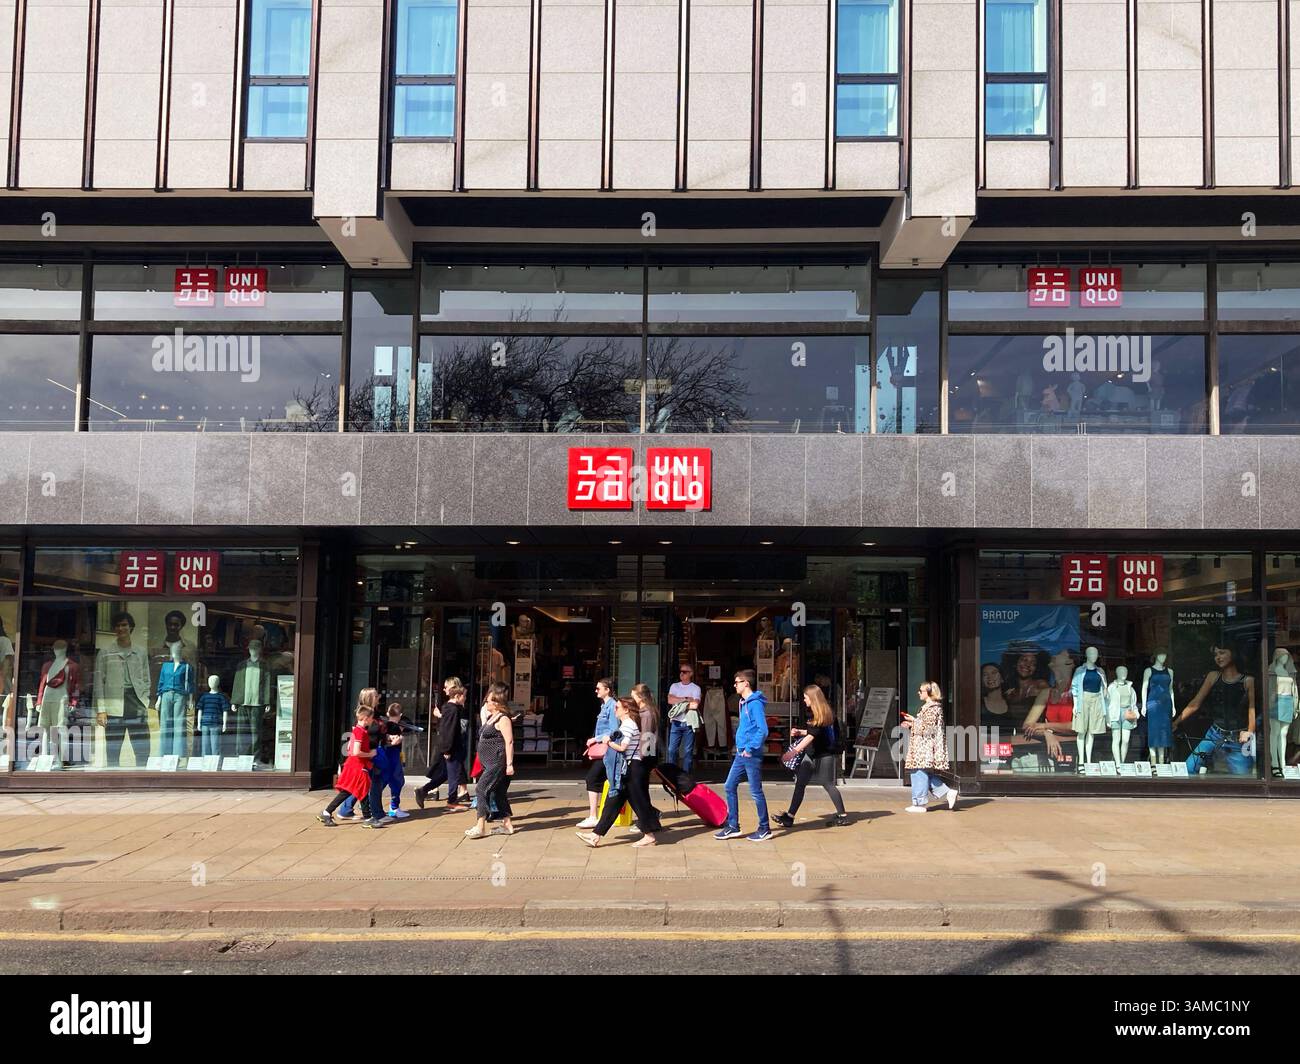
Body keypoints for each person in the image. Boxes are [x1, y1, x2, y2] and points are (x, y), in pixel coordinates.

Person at [576, 697, 657, 848]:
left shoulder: (628, 724)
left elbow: (622, 747)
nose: (615, 709)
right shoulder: (627, 723)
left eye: (617, 707)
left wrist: (608, 741)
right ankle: (595, 835)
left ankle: (649, 835)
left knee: (635, 802)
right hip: (631, 768)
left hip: (632, 768)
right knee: (614, 801)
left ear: (626, 710)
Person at [773, 685, 847, 828]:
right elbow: (814, 732)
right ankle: (789, 816)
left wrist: (792, 752)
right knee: (800, 783)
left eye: (806, 697)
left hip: (824, 755)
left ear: (813, 698)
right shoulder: (822, 712)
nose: (804, 700)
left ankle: (842, 816)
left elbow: (811, 736)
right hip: (812, 753)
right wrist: (800, 732)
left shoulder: (822, 714)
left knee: (827, 783)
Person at [1175, 645, 1256, 776]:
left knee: (1243, 778)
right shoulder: (1213, 676)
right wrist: (1176, 722)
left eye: (1222, 653)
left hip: (1237, 738)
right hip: (1214, 733)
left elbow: (1252, 708)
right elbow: (1195, 703)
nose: (1218, 657)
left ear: (1233, 654)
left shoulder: (1248, 681)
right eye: (1215, 654)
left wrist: (1250, 732)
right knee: (1189, 768)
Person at [715, 669, 771, 842]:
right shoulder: (744, 702)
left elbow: (763, 730)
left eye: (737, 682)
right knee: (729, 786)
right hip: (741, 753)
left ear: (746, 683)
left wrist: (750, 748)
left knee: (755, 791)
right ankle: (733, 826)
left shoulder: (754, 704)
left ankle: (764, 828)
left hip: (750, 754)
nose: (734, 685)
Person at [318, 701, 383, 827]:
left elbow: (350, 748)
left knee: (349, 791)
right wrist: (370, 754)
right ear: (366, 718)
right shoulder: (360, 732)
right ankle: (368, 818)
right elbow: (355, 752)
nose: (372, 720)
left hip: (354, 766)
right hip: (357, 767)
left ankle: (326, 813)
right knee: (362, 790)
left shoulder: (358, 730)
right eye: (371, 718)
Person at [465, 685, 515, 839]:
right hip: (488, 762)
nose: (486, 702)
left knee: (481, 789)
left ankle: (480, 826)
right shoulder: (491, 717)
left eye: (489, 700)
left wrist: (509, 764)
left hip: (497, 762)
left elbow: (509, 742)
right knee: (499, 792)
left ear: (497, 702)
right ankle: (507, 825)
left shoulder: (503, 719)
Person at [901, 681, 957, 813]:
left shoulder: (932, 708)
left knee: (918, 772)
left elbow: (928, 729)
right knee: (922, 772)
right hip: (924, 745)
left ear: (929, 693)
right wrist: (912, 723)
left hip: (924, 746)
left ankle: (919, 803)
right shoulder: (931, 707)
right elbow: (926, 726)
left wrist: (913, 721)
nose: (918, 693)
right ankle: (947, 792)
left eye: (921, 691)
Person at [416, 678, 470, 811]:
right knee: (454, 775)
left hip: (452, 747)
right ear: (457, 696)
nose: (465, 699)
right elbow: (448, 731)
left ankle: (423, 790)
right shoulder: (453, 710)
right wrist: (447, 750)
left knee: (446, 774)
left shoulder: (451, 708)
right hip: (452, 748)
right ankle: (452, 801)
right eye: (463, 696)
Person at [577, 678, 619, 830]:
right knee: (608, 781)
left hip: (608, 749)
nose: (596, 691)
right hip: (605, 749)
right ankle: (599, 816)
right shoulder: (604, 705)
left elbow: (614, 730)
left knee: (593, 778)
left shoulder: (612, 705)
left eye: (599, 688)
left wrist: (596, 738)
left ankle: (594, 816)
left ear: (607, 690)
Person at [665, 663, 701, 774]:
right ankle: (672, 774)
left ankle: (686, 775)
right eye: (680, 671)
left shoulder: (695, 688)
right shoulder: (674, 686)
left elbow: (695, 705)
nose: (681, 673)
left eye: (685, 672)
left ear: (691, 674)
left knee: (688, 751)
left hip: (688, 722)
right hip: (676, 722)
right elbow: (669, 700)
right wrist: (686, 699)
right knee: (671, 750)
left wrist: (678, 702)